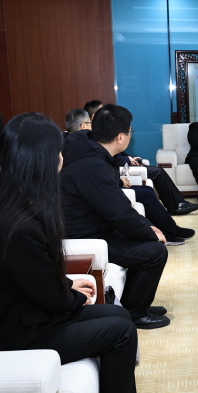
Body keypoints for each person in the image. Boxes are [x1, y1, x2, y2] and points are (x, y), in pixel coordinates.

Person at [0, 112, 168, 393]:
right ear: (42, 159)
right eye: (58, 152)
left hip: (16, 318)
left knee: (118, 316)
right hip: (9, 339)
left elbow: (27, 276)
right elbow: (51, 297)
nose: (62, 158)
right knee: (119, 330)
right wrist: (71, 295)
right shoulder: (19, 223)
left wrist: (68, 284)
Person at [61, 104, 171, 329]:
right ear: (120, 137)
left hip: (98, 226)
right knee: (155, 251)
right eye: (130, 132)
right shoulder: (91, 165)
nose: (130, 136)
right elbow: (118, 212)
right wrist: (150, 232)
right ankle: (135, 313)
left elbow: (117, 205)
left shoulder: (89, 148)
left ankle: (137, 304)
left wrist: (147, 227)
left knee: (145, 238)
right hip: (86, 236)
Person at [84, 100, 198, 216]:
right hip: (118, 168)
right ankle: (176, 205)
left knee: (154, 175)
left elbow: (116, 152)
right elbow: (108, 156)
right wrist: (127, 160)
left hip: (122, 165)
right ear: (94, 116)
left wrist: (130, 158)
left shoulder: (102, 131)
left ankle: (177, 204)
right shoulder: (94, 136)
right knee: (157, 172)